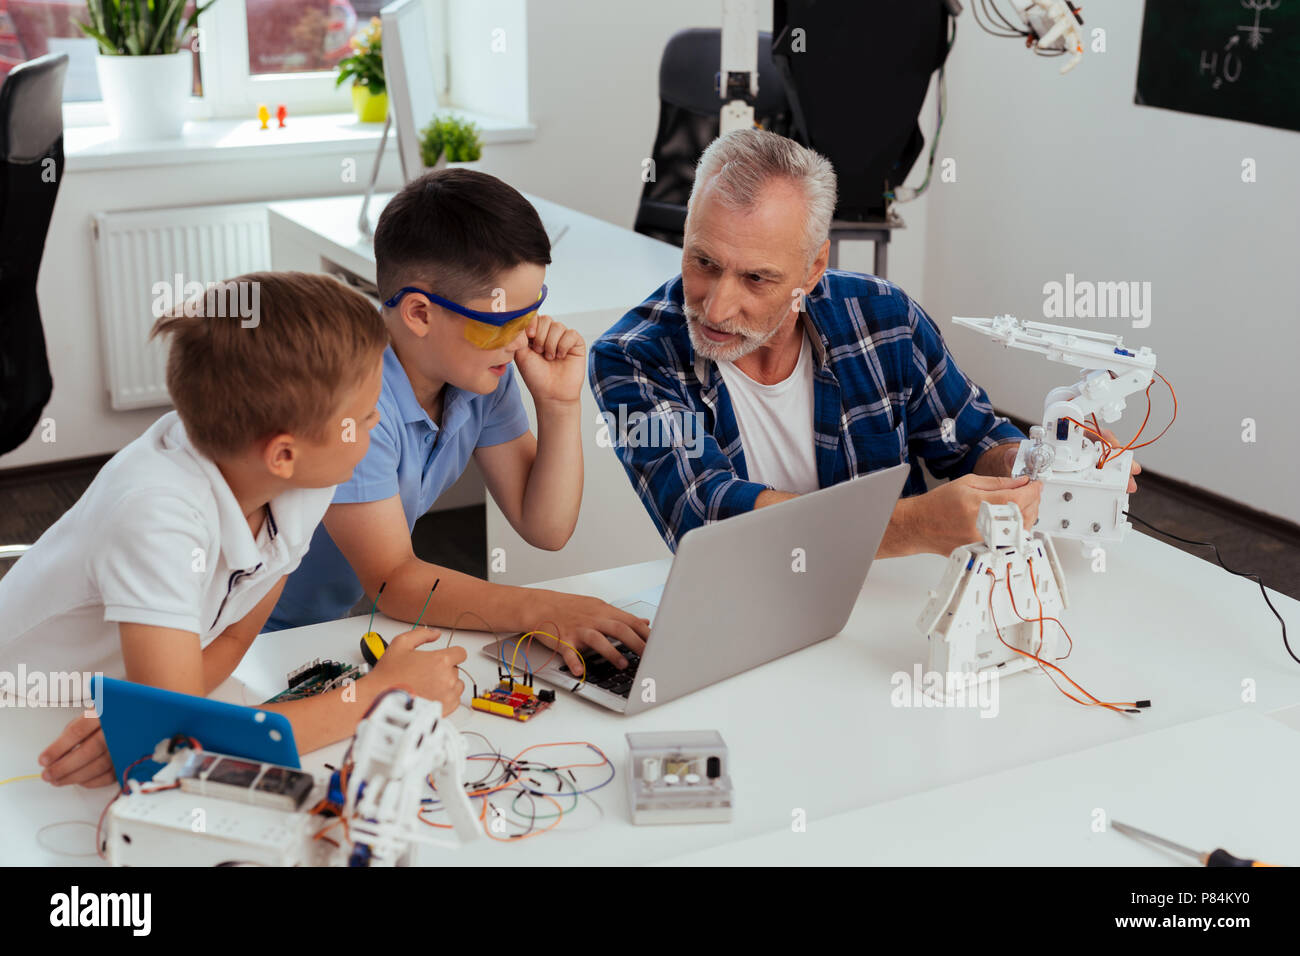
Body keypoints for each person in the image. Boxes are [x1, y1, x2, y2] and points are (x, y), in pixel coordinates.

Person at [0, 272, 466, 787]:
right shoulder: (157, 516)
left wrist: (154, 724)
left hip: (127, 695)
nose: (379, 423)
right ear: (283, 454)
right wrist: (384, 697)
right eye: (366, 414)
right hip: (26, 711)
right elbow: (172, 745)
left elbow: (236, 634)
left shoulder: (303, 481)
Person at [590, 128, 1139, 554]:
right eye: (703, 261)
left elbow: (972, 443)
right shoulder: (632, 357)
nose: (715, 306)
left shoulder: (884, 317)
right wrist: (913, 527)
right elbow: (707, 517)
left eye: (756, 278)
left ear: (813, 268)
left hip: (883, 612)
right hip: (739, 616)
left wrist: (1043, 462)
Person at [267, 169, 649, 675]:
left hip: (322, 626)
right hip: (250, 636)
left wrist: (559, 406)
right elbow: (392, 581)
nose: (520, 342)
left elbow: (546, 528)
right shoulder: (353, 400)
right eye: (501, 324)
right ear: (420, 313)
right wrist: (544, 610)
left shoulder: (478, 375)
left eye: (530, 314)